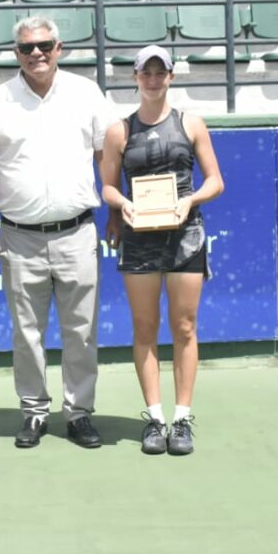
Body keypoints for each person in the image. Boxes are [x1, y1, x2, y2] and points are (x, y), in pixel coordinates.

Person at [0, 15, 115, 449]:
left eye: (45, 46)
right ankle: (34, 413)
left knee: (82, 330)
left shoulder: (86, 93)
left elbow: (108, 151)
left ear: (59, 48)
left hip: (77, 233)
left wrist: (116, 207)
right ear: (16, 53)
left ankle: (79, 413)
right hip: (19, 236)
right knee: (26, 333)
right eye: (28, 47)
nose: (37, 54)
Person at [99, 45, 224, 456]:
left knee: (185, 326)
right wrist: (123, 204)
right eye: (145, 73)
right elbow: (108, 186)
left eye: (160, 72)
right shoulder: (119, 131)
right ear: (135, 77)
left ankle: (182, 417)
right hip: (139, 238)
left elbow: (214, 181)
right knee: (145, 328)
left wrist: (190, 201)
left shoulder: (192, 123)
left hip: (186, 234)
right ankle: (154, 418)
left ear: (171, 76)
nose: (153, 79)